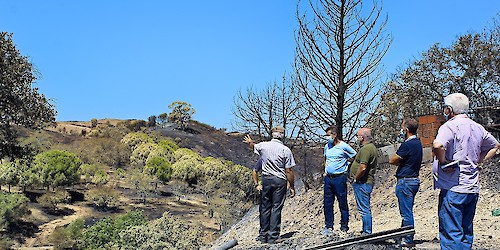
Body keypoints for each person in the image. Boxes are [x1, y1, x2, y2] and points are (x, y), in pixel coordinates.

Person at [432, 93, 499, 250]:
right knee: (466, 232)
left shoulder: (448, 127)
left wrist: (444, 162)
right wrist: (479, 161)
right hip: (472, 188)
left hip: (453, 187)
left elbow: (438, 146)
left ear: (449, 110)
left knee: (451, 234)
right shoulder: (477, 127)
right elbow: (495, 146)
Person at [243, 126, 296, 244]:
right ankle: (273, 236)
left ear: (272, 134)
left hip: (266, 179)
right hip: (279, 180)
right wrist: (292, 186)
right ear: (282, 135)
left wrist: (250, 142)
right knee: (276, 208)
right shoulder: (285, 150)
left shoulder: (263, 146)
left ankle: (263, 235)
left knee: (265, 207)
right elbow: (289, 171)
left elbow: (254, 147)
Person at [389, 118, 423, 247]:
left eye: (403, 128)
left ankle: (408, 239)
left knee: (406, 212)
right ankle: (403, 235)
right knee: (407, 209)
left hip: (405, 181)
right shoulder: (418, 143)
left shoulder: (407, 144)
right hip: (414, 179)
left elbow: (393, 160)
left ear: (406, 130)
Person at [321, 125, 356, 236]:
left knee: (342, 202)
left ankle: (344, 226)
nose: (327, 137)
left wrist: (349, 167)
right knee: (327, 203)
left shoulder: (344, 146)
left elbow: (355, 157)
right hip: (328, 178)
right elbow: (326, 159)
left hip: (340, 178)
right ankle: (328, 226)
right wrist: (325, 170)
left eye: (328, 135)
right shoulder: (327, 146)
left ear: (334, 134)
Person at [349, 128, 377, 235]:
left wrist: (356, 178)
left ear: (363, 137)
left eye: (358, 136)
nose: (357, 138)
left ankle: (367, 232)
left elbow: (363, 167)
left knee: (364, 209)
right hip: (364, 182)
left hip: (362, 182)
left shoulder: (366, 149)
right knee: (364, 208)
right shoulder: (369, 148)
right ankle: (365, 230)